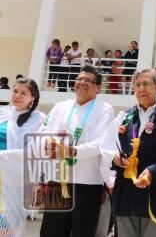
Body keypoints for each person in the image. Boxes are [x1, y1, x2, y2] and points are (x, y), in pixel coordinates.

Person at [104, 68, 156, 237]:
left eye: (146, 84)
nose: (141, 88)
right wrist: (116, 159)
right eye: (138, 84)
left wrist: (152, 172)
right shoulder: (125, 116)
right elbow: (109, 146)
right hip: (126, 195)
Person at [40, 65, 115, 237]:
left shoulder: (104, 109)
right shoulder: (61, 106)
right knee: (51, 231)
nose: (81, 83)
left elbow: (100, 143)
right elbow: (45, 132)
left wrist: (73, 151)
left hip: (87, 183)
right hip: (57, 180)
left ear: (98, 88)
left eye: (88, 80)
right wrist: (49, 144)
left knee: (83, 231)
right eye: (79, 79)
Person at [0, 78, 44, 236]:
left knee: (7, 229)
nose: (17, 95)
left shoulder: (39, 120)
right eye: (15, 91)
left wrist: (2, 156)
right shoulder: (2, 113)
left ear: (33, 97)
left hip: (15, 182)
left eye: (23, 93)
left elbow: (35, 151)